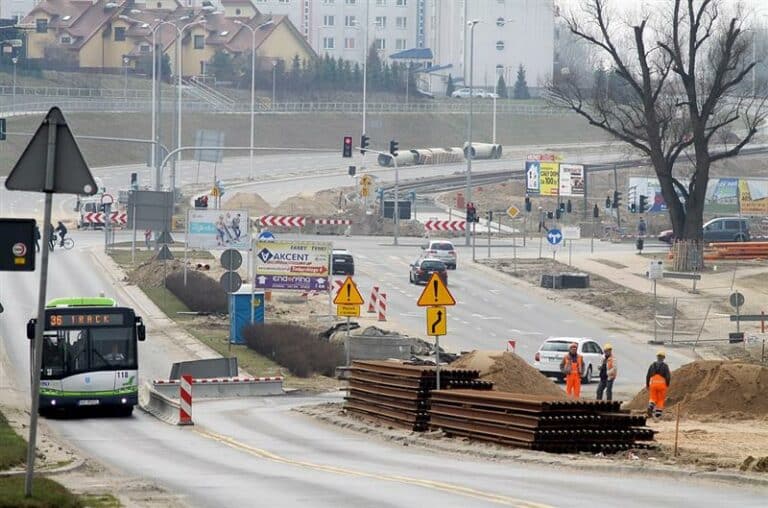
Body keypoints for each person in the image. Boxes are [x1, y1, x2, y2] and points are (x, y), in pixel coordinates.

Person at [646, 350, 672, 419]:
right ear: (663, 358)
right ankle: (658, 415)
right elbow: (668, 376)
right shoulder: (665, 366)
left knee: (653, 398)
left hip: (653, 384)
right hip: (661, 385)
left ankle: (650, 406)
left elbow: (648, 376)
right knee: (660, 400)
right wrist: (667, 384)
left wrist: (647, 385)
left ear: (657, 357)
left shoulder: (652, 365)